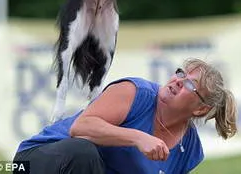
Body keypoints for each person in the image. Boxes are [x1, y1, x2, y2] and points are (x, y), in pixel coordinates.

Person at [13, 58, 237, 174]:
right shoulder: (136, 92)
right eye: (180, 72)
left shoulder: (190, 149)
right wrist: (138, 137)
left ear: (199, 110)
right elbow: (80, 128)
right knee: (83, 152)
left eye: (189, 84)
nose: (178, 80)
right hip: (33, 163)